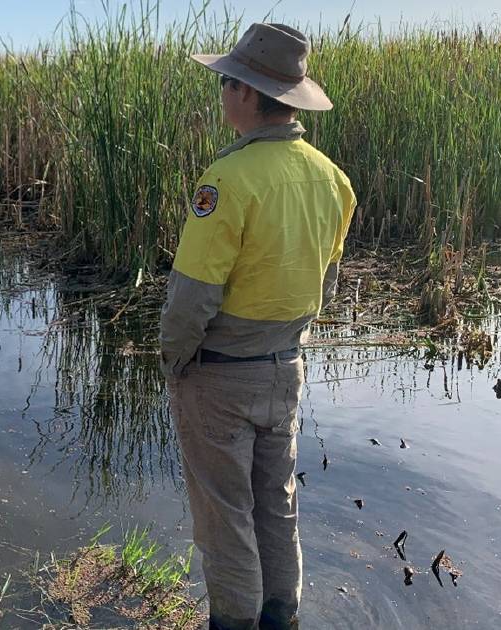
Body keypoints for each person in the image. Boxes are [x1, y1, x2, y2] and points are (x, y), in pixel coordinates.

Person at [159, 23, 356, 630]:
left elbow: (192, 299)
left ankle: (233, 621)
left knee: (225, 516)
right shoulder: (331, 177)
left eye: (226, 82)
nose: (222, 92)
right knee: (277, 502)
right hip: (286, 367)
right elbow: (326, 282)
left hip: (221, 374)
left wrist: (174, 362)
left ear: (247, 93)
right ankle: (283, 615)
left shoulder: (227, 181)